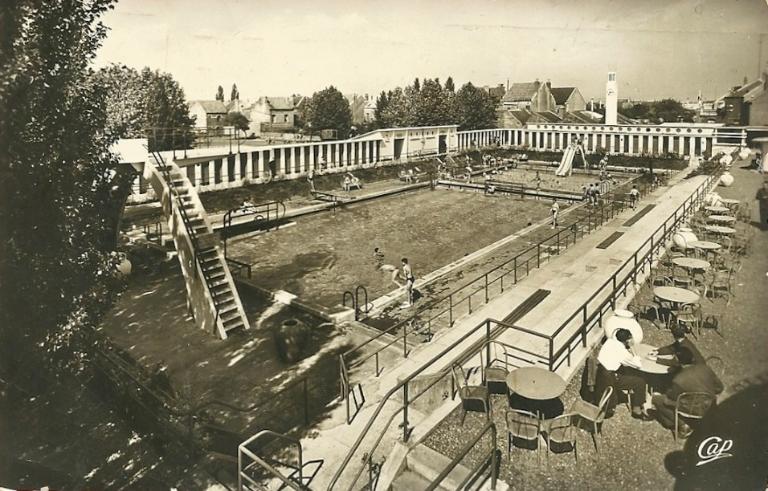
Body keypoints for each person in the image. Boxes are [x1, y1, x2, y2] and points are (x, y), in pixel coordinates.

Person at [650, 348, 723, 436]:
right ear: (692, 358)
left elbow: (671, 397)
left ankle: (682, 424)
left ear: (677, 361)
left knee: (657, 399)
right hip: (709, 405)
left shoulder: (678, 379)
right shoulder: (705, 368)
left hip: (691, 408)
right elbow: (720, 388)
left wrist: (660, 394)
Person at [596, 328, 649, 419]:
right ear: (627, 340)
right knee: (640, 382)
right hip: (610, 377)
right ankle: (637, 409)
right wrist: (634, 353)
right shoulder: (622, 352)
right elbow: (638, 365)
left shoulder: (610, 341)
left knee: (626, 371)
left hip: (600, 372)